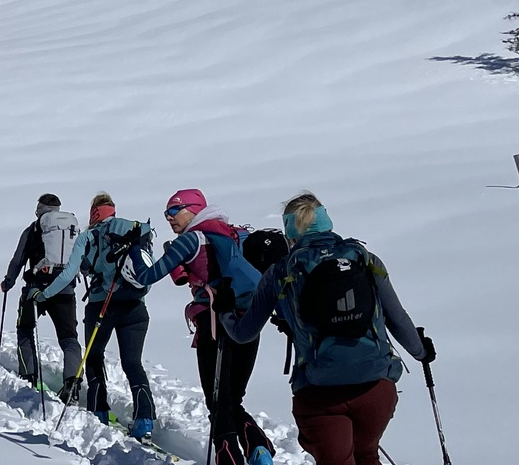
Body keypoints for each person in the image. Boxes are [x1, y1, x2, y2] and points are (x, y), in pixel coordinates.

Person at [225, 194, 435, 465]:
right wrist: (421, 351)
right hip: (376, 388)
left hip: (320, 392)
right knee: (366, 454)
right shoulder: (365, 260)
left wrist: (224, 313)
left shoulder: (280, 272)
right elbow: (398, 319)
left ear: (290, 230)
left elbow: (244, 333)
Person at [125, 189, 273, 465]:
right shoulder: (233, 233)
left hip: (213, 324)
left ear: (193, 209)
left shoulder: (190, 240)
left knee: (217, 402)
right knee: (233, 397)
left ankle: (229, 458)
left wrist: (135, 249)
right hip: (249, 320)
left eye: (173, 211)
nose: (169, 218)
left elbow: (146, 276)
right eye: (166, 213)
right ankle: (258, 446)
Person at [69, 193, 158, 439]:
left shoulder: (94, 234)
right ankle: (145, 419)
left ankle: (98, 410)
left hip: (102, 306)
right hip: (135, 306)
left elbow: (83, 266)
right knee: (132, 363)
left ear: (95, 212)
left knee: (94, 356)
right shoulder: (132, 231)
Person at [0, 194, 80, 392]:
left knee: (25, 330)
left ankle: (28, 377)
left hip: (36, 289)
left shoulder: (33, 230)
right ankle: (72, 385)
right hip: (65, 289)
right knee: (69, 339)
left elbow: (18, 259)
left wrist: (8, 282)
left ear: (40, 209)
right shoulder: (71, 230)